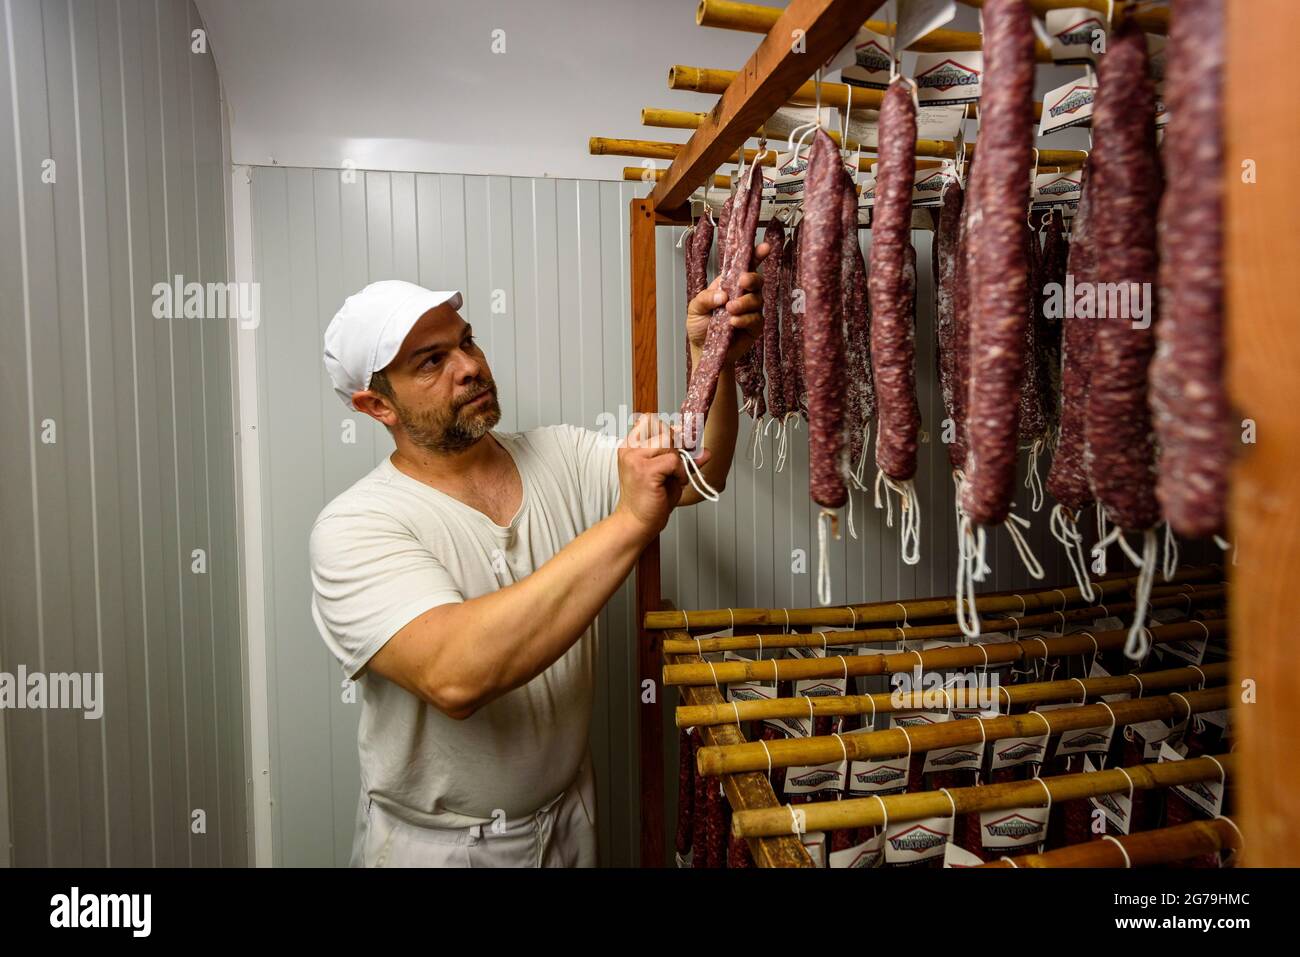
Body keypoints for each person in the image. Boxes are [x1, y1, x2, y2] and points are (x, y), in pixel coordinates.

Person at [310, 245, 767, 867]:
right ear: (377, 405)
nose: (468, 366)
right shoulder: (356, 526)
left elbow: (690, 475)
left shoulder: (558, 455)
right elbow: (457, 674)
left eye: (467, 343)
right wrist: (631, 522)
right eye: (432, 361)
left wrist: (709, 359)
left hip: (567, 816)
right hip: (438, 849)